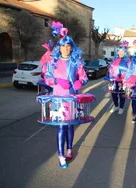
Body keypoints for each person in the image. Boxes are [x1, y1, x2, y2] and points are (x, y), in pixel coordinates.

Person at [45, 22, 88, 169]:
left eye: (68, 45)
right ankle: (61, 156)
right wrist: (57, 80)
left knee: (71, 126)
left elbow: (84, 77)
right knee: (61, 127)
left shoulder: (77, 62)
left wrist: (79, 83)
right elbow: (47, 78)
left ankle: (70, 150)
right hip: (58, 99)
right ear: (59, 47)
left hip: (73, 99)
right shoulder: (53, 62)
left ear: (71, 47)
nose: (66, 48)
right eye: (63, 46)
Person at [108, 41, 131, 115]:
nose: (121, 53)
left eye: (122, 52)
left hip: (123, 80)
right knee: (113, 94)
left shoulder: (127, 61)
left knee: (121, 94)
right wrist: (111, 78)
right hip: (114, 80)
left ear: (124, 52)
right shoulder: (114, 60)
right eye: (119, 51)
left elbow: (129, 71)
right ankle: (116, 106)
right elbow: (111, 69)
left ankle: (121, 107)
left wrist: (125, 80)